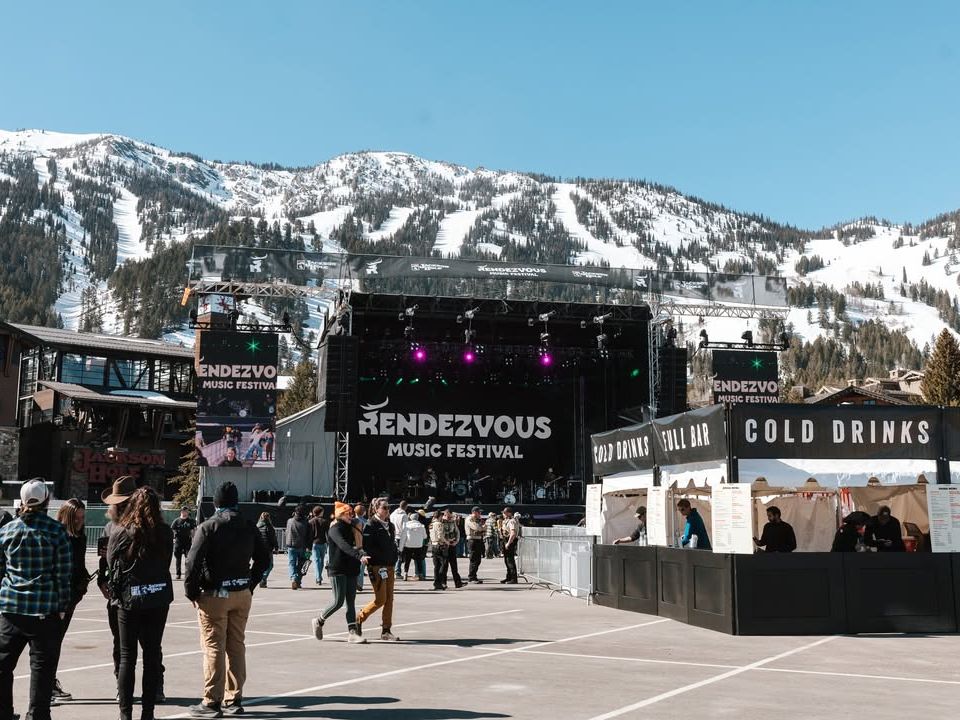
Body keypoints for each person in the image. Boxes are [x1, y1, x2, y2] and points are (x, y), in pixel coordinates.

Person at [185, 481, 270, 718]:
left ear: (216, 503)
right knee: (236, 646)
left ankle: (212, 701)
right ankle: (234, 699)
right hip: (241, 593)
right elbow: (264, 559)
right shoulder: (249, 525)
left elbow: (192, 562)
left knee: (213, 647)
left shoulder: (208, 526)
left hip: (215, 594)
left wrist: (191, 592)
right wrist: (250, 584)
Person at [0, 479, 71, 720]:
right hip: (44, 609)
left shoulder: (7, 530)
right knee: (42, 669)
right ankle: (37, 715)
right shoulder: (56, 531)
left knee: (3, 666)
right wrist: (62, 606)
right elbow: (63, 574)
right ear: (47, 501)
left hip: (11, 608)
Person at [107, 487, 174, 720]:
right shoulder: (165, 532)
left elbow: (111, 565)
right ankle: (148, 713)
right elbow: (167, 562)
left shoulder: (121, 532)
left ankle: (125, 714)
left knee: (127, 656)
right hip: (157, 597)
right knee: (152, 655)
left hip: (128, 600)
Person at [312, 503, 369, 644]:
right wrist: (358, 555)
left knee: (351, 601)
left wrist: (362, 552)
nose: (351, 516)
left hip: (351, 568)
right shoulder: (334, 529)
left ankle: (352, 633)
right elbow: (343, 545)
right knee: (338, 601)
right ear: (340, 515)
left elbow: (358, 543)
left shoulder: (353, 527)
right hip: (337, 569)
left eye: (351, 513)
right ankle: (319, 620)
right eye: (348, 513)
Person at [51, 498, 89, 705]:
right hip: (58, 596)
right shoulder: (58, 536)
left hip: (72, 595)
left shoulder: (80, 537)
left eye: (83, 517)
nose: (81, 521)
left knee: (56, 640)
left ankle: (49, 682)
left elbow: (79, 565)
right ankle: (46, 686)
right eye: (77, 517)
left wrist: (83, 583)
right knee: (50, 642)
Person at [356, 499, 399, 641]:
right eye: (384, 507)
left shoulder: (390, 526)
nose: (387, 510)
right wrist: (375, 561)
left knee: (390, 599)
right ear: (376, 509)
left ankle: (386, 630)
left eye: (389, 507)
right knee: (381, 599)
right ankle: (360, 617)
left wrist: (394, 556)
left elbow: (392, 544)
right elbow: (367, 547)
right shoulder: (370, 525)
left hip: (390, 565)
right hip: (377, 566)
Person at [285, 504, 311, 590]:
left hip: (291, 545)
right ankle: (298, 581)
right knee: (301, 564)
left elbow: (287, 532)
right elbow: (309, 536)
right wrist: (309, 547)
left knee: (291, 563)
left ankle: (293, 578)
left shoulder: (289, 521)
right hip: (302, 546)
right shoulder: (306, 523)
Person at [171, 507, 197, 580]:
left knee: (188, 559)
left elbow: (193, 530)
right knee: (178, 558)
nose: (184, 512)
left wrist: (194, 539)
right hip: (178, 541)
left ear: (188, 512)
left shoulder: (191, 521)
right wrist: (173, 537)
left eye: (186, 511)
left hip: (187, 541)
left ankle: (187, 573)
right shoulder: (177, 521)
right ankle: (178, 574)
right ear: (181, 512)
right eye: (183, 511)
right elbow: (172, 529)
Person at [401, 512, 427, 580]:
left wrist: (401, 547)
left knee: (407, 560)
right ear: (417, 518)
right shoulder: (421, 526)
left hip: (408, 545)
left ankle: (405, 574)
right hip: (418, 545)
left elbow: (403, 537)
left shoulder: (407, 526)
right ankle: (420, 574)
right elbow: (425, 536)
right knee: (419, 560)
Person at [308, 506, 330, 586]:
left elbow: (309, 535)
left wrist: (308, 545)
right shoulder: (325, 521)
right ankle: (319, 576)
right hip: (323, 543)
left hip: (314, 543)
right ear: (320, 512)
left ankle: (318, 577)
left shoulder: (310, 522)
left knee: (316, 561)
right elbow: (327, 534)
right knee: (321, 561)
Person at [256, 512, 279, 588]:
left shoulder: (257, 526)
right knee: (270, 565)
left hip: (258, 548)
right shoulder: (269, 527)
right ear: (268, 518)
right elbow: (273, 539)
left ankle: (261, 579)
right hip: (267, 549)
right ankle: (263, 579)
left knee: (260, 564)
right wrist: (276, 548)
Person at [500, 506, 520, 584]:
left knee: (510, 561)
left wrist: (508, 543)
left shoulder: (512, 521)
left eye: (505, 513)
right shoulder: (506, 521)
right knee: (507, 560)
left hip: (510, 541)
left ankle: (513, 578)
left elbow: (513, 533)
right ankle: (508, 577)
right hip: (506, 540)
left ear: (509, 513)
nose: (503, 514)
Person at [465, 507, 486, 583]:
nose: (480, 514)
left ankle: (474, 576)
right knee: (474, 559)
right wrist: (482, 528)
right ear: (474, 512)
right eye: (479, 512)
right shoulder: (470, 519)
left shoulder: (478, 519)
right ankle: (471, 577)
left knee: (478, 560)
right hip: (472, 540)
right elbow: (476, 527)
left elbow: (485, 528)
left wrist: (482, 528)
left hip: (478, 539)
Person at [389, 501, 409, 580]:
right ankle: (397, 572)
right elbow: (405, 528)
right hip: (401, 536)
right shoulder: (404, 515)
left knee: (394, 554)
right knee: (400, 554)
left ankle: (393, 571)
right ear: (406, 506)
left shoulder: (392, 514)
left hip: (393, 536)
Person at [353, 504, 368, 592]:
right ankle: (360, 583)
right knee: (362, 566)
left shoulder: (352, 521)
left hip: (354, 545)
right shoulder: (366, 522)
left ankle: (355, 582)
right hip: (363, 545)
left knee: (354, 566)